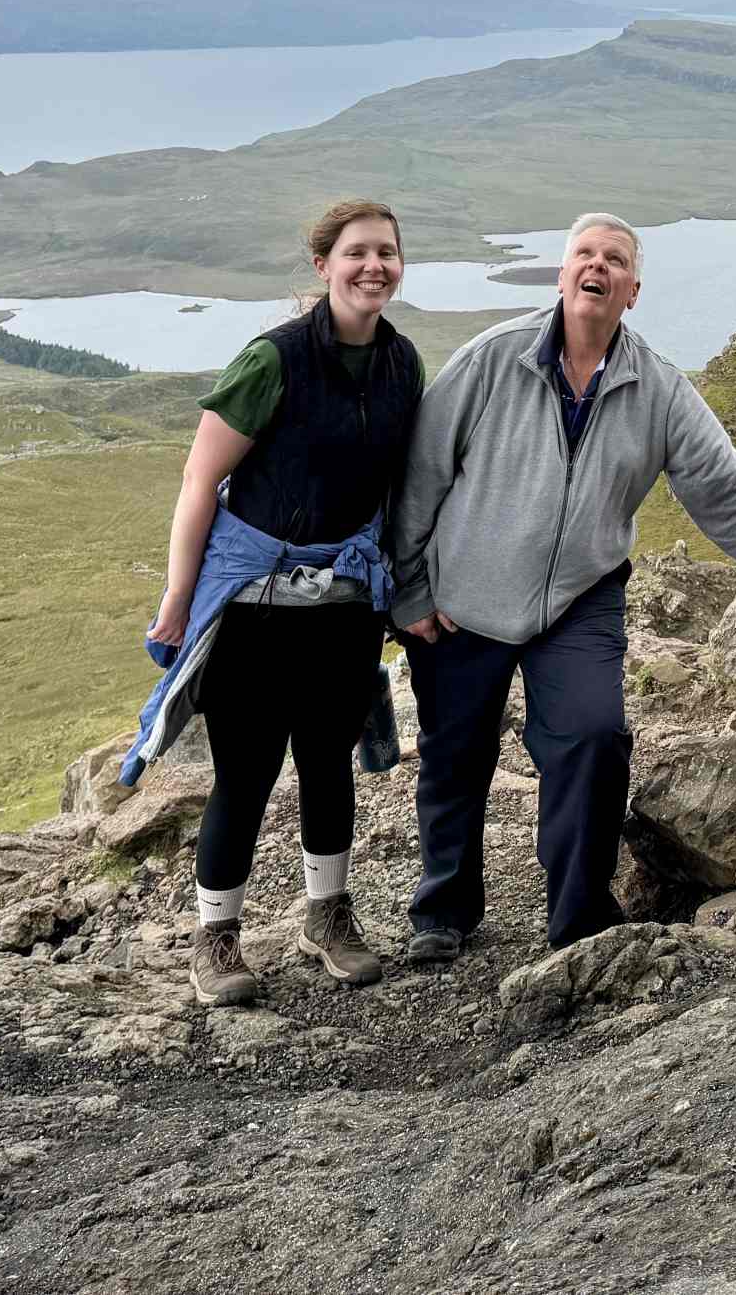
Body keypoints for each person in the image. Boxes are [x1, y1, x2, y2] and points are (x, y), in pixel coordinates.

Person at [390, 210, 736, 961]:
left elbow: (723, 486)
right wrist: (408, 590)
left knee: (592, 737)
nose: (597, 267)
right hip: (465, 597)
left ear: (632, 291)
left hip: (579, 599)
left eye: (614, 260)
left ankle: (577, 920)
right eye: (584, 253)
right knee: (456, 751)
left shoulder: (658, 389)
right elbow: (420, 474)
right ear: (562, 274)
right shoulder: (491, 360)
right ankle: (443, 910)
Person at [120, 200, 423, 1008]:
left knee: (329, 764)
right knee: (246, 772)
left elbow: (397, 488)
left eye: (387, 253)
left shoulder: (401, 364)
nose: (374, 267)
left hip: (343, 605)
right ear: (323, 264)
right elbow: (199, 479)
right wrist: (180, 597)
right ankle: (214, 938)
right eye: (357, 252)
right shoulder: (273, 359)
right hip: (254, 607)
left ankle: (328, 917)